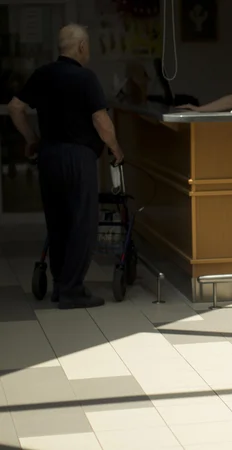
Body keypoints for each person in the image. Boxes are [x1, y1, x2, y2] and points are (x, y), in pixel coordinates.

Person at [8, 24, 124, 309]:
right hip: (79, 157)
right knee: (82, 224)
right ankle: (72, 290)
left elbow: (14, 107)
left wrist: (32, 139)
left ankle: (61, 285)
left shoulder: (43, 74)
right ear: (82, 46)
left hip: (49, 156)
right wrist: (116, 148)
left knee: (58, 222)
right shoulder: (85, 78)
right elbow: (101, 122)